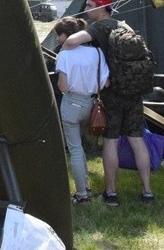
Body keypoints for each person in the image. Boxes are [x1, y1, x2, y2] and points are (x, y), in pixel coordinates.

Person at [62, 0, 154, 206]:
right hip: (134, 92)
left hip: (111, 94)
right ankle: (147, 192)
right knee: (137, 140)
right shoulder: (124, 26)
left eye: (90, 6)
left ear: (102, 7)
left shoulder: (99, 28)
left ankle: (111, 193)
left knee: (111, 142)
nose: (86, 10)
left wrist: (69, 40)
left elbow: (71, 42)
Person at [54, 16, 110, 204]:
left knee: (75, 148)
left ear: (68, 35)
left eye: (59, 35)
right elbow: (106, 82)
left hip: (71, 102)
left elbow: (63, 86)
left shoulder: (64, 55)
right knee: (81, 146)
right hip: (92, 104)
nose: (57, 39)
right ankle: (85, 185)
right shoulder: (97, 52)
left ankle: (82, 194)